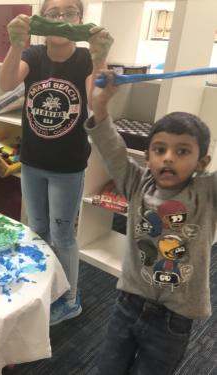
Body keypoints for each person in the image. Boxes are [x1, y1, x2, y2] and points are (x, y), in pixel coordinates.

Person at [87, 71, 216, 374]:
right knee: (107, 368)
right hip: (128, 304)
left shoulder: (206, 193)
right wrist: (102, 105)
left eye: (182, 151)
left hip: (174, 318)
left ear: (202, 162)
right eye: (160, 150)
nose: (168, 158)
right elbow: (110, 146)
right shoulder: (137, 182)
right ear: (147, 157)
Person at [0, 0, 113, 325]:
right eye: (53, 13)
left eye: (70, 13)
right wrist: (15, 44)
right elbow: (6, 83)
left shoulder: (85, 59)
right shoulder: (32, 56)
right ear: (42, 19)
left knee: (63, 236)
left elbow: (94, 101)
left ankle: (71, 298)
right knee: (38, 230)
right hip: (32, 161)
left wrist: (101, 57)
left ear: (80, 19)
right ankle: (46, 287)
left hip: (68, 166)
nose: (61, 19)